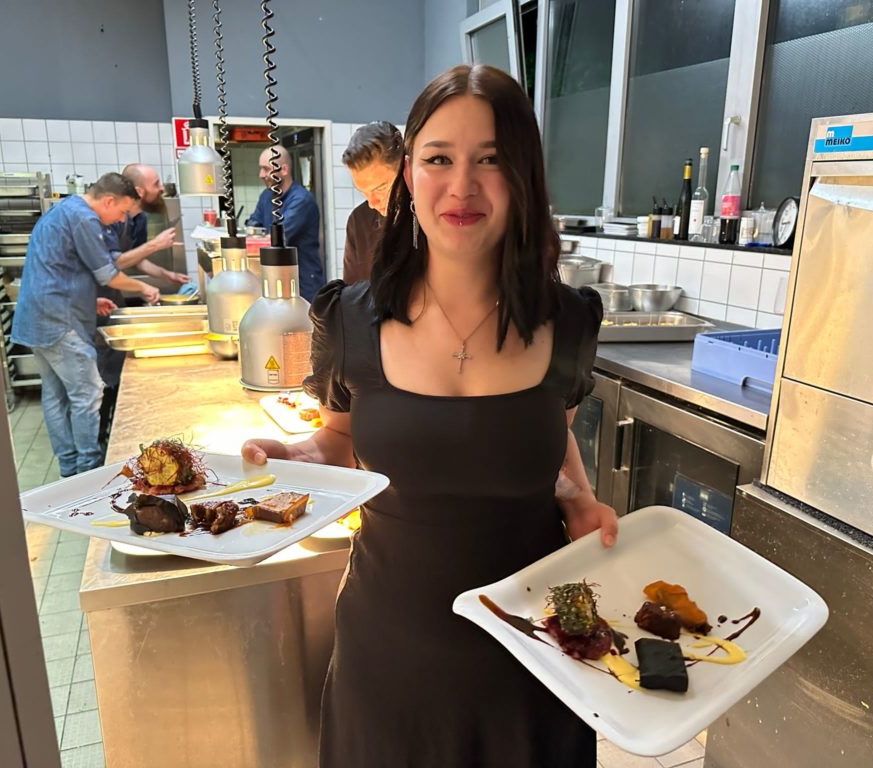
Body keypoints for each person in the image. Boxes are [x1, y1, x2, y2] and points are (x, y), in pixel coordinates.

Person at [242, 65, 618, 767]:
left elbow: (551, 438)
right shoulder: (351, 320)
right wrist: (300, 457)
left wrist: (577, 496)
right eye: (439, 159)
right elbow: (339, 441)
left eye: (491, 160)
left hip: (530, 656)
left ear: (524, 178)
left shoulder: (566, 321)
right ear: (409, 174)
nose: (462, 186)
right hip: (392, 655)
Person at [11, 173, 160, 478]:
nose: (120, 220)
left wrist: (88, 301)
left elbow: (56, 269)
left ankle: (69, 468)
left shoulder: (63, 211)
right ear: (109, 200)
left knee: (55, 395)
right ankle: (89, 472)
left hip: (38, 316)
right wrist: (144, 288)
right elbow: (108, 274)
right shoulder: (85, 218)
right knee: (88, 394)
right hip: (59, 322)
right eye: (122, 212)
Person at [95, 164, 188, 436]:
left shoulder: (140, 219)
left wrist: (167, 275)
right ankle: (104, 431)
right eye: (156, 183)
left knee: (116, 369)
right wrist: (155, 246)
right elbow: (112, 265)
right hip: (99, 299)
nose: (161, 189)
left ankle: (113, 418)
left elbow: (137, 259)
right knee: (103, 376)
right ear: (138, 190)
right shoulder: (109, 220)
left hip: (114, 297)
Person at [244, 145, 325, 300]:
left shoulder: (301, 200)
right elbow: (254, 225)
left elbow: (278, 240)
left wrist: (259, 237)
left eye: (266, 169)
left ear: (284, 170)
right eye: (261, 169)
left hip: (303, 283)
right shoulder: (266, 196)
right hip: (277, 280)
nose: (261, 175)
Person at [340, 121, 403, 283]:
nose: (372, 203)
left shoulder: (428, 215)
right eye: (364, 192)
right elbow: (352, 291)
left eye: (380, 188)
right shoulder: (359, 221)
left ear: (406, 169)